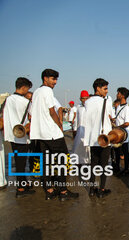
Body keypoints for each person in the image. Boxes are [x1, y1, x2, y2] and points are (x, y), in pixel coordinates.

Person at [30, 69, 79, 201]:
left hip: (40, 134)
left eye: (56, 79)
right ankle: (63, 191)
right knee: (62, 160)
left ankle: (50, 190)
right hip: (51, 133)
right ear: (45, 78)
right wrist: (59, 125)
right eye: (53, 79)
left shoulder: (36, 92)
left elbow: (31, 113)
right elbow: (52, 111)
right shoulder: (47, 91)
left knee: (46, 162)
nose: (55, 82)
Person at [3, 77, 36, 197]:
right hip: (22, 136)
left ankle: (24, 183)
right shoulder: (26, 102)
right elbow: (33, 117)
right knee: (21, 162)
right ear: (23, 88)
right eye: (27, 88)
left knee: (18, 161)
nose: (27, 91)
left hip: (12, 135)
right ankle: (20, 189)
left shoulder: (8, 99)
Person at [84, 78, 114, 198]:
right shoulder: (106, 101)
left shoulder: (87, 102)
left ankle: (92, 189)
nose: (107, 91)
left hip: (93, 139)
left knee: (93, 165)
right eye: (105, 88)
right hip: (104, 138)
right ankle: (101, 190)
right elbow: (111, 116)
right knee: (104, 166)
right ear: (98, 88)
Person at [114, 87, 129, 177]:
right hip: (118, 132)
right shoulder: (118, 107)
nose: (117, 95)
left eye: (118, 93)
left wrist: (118, 127)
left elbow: (128, 122)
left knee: (125, 150)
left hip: (124, 133)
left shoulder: (126, 108)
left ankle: (126, 169)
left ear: (122, 95)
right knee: (117, 150)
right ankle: (117, 167)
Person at [71, 90, 90, 166]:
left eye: (86, 98)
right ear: (80, 99)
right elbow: (77, 119)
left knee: (87, 149)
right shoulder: (78, 107)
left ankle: (87, 162)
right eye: (83, 98)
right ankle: (77, 162)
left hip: (87, 131)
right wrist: (75, 128)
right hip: (79, 130)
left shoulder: (90, 107)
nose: (85, 100)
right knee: (77, 146)